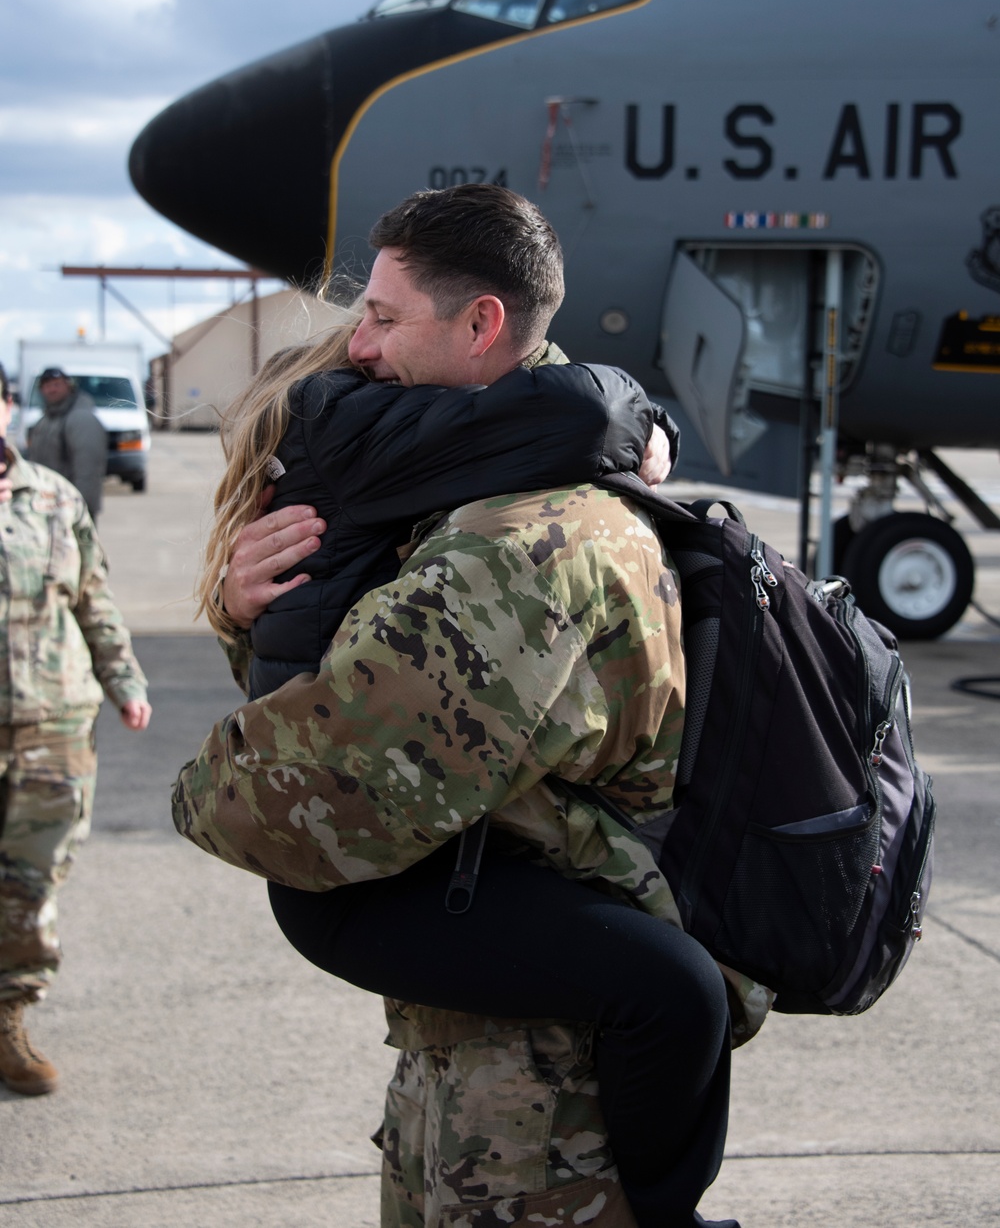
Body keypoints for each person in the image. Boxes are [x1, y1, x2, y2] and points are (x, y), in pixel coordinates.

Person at [175, 186, 770, 1227]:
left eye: (385, 317)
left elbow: (311, 797)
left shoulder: (513, 545)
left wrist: (198, 787)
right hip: (479, 1027)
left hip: (538, 1109)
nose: (358, 344)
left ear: (481, 324)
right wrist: (248, 610)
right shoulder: (475, 468)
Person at [0, 361, 151, 1095]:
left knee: (31, 882)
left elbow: (93, 597)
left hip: (53, 723)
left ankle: (9, 1023)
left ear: (8, 408)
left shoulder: (54, 499)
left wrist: (123, 680)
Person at [27, 367, 107, 522]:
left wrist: (80, 508)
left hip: (71, 510)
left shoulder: (80, 418)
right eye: (47, 385)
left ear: (68, 386)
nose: (52, 389)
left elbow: (88, 470)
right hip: (48, 507)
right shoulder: (45, 420)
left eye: (57, 384)